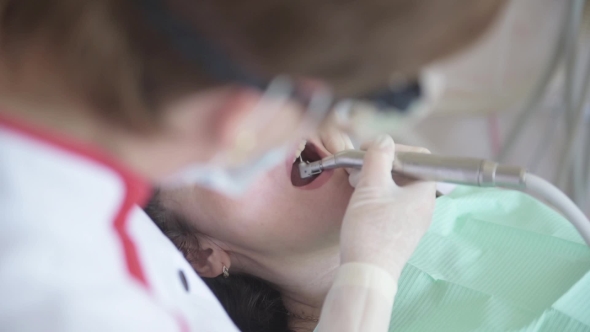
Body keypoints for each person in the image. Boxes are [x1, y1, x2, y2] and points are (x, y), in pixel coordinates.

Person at [0, 0, 506, 331]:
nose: (325, 124)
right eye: (319, 100)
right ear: (240, 115)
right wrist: (369, 277)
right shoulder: (75, 298)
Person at [148, 128, 590, 332]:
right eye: (224, 163)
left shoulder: (464, 198)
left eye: (257, 116)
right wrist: (369, 269)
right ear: (201, 254)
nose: (267, 137)